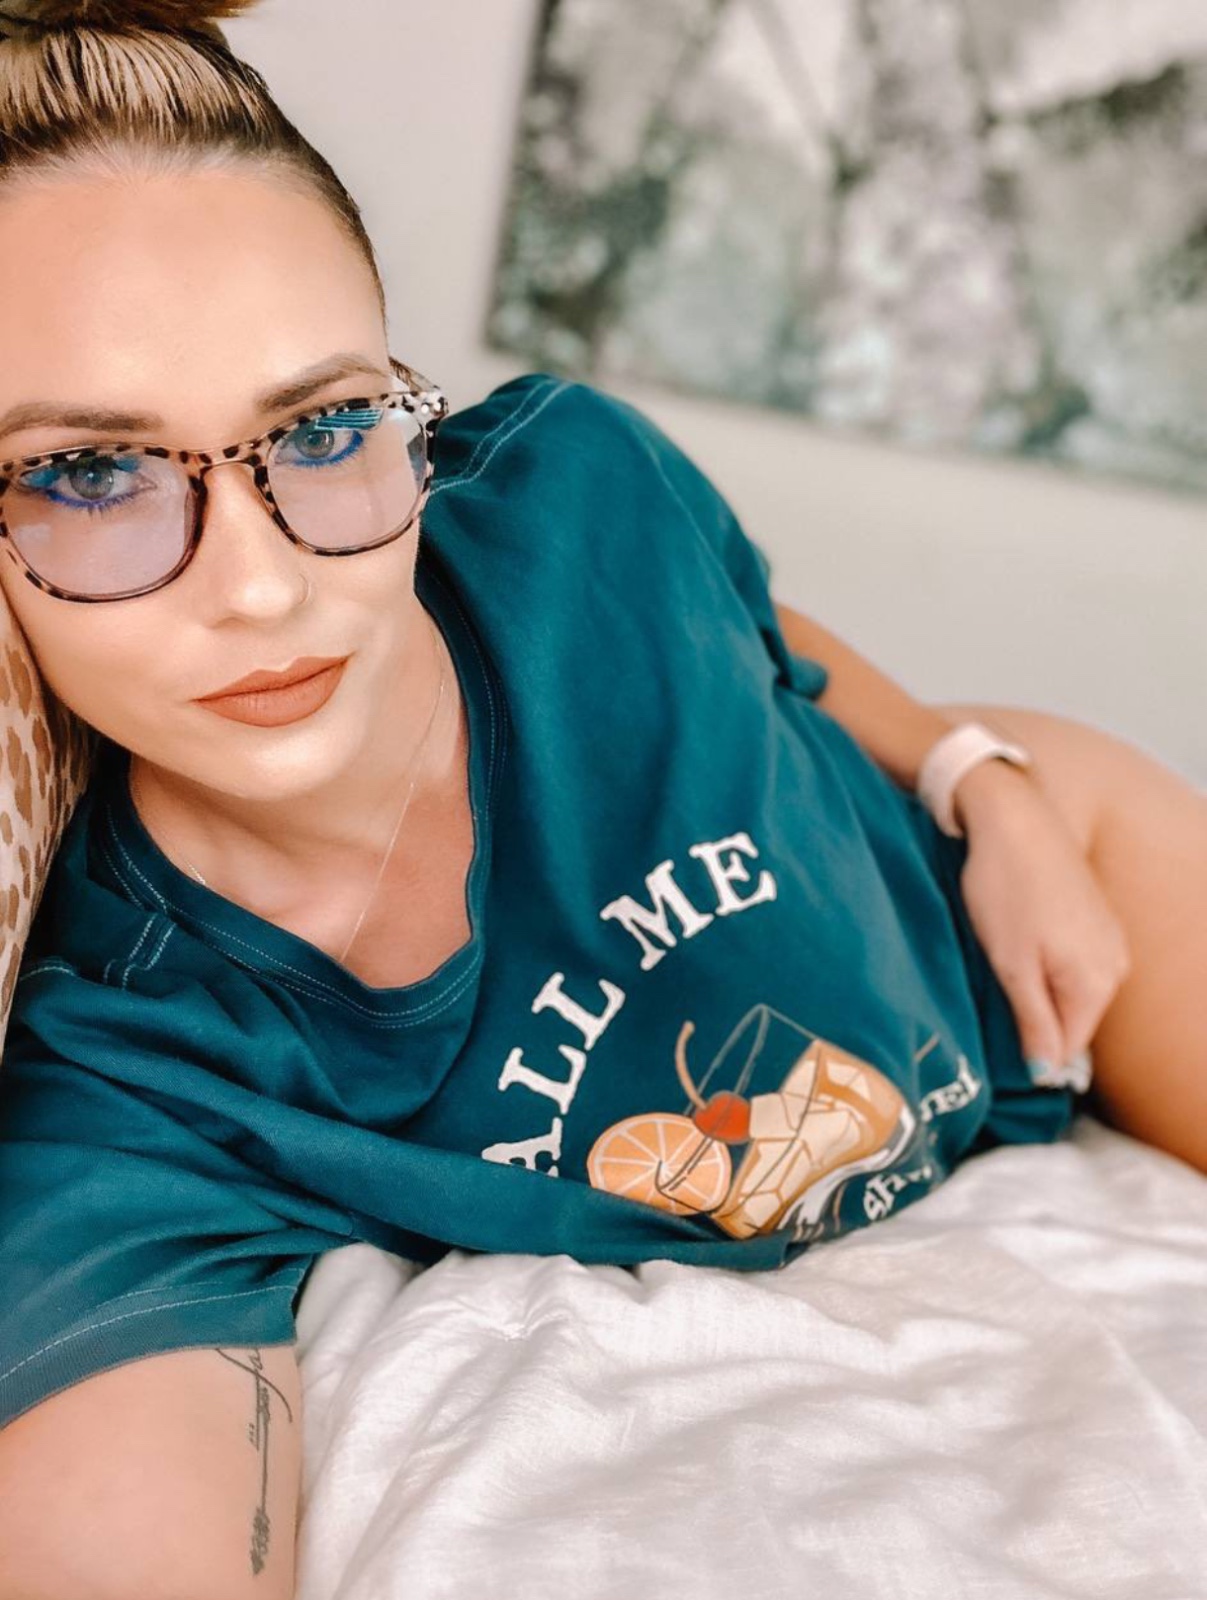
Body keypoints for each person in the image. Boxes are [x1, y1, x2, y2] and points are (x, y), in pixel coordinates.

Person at [0, 3, 1202, 1595]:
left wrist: (981, 778)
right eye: (93, 473)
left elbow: (757, 631)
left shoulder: (575, 482)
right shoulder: (138, 1072)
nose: (263, 584)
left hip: (1058, 905)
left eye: (325, 428)